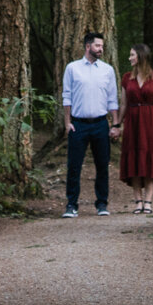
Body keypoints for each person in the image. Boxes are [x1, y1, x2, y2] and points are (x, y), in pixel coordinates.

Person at [59, 30, 119, 217]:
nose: (101, 49)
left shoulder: (107, 70)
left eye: (102, 46)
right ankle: (72, 205)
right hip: (78, 124)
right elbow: (66, 96)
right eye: (97, 45)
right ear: (88, 46)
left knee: (102, 165)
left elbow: (112, 99)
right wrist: (67, 122)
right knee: (74, 166)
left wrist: (115, 124)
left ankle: (102, 204)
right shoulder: (72, 68)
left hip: (101, 124)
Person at [118, 44, 153, 214]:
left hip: (150, 121)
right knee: (134, 159)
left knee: (149, 160)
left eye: (132, 55)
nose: (129, 58)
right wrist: (117, 124)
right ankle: (138, 201)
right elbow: (123, 104)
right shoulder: (126, 78)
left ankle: (148, 201)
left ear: (141, 56)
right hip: (132, 122)